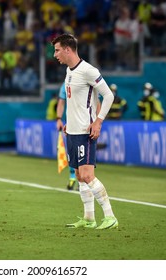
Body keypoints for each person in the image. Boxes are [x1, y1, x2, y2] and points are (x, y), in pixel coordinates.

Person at [52, 33, 118, 230]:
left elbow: (108, 96)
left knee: (88, 175)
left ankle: (110, 216)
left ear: (67, 49)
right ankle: (89, 218)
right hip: (72, 131)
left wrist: (98, 121)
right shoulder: (69, 71)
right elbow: (76, 102)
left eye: (57, 50)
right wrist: (67, 123)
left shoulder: (89, 70)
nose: (55, 54)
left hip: (85, 132)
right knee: (80, 176)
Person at [55, 83, 78, 191]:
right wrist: (59, 118)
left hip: (85, 124)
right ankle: (73, 177)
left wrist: (97, 121)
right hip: (72, 124)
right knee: (73, 152)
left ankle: (80, 179)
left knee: (78, 153)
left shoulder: (87, 79)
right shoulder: (66, 84)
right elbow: (61, 102)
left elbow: (97, 101)